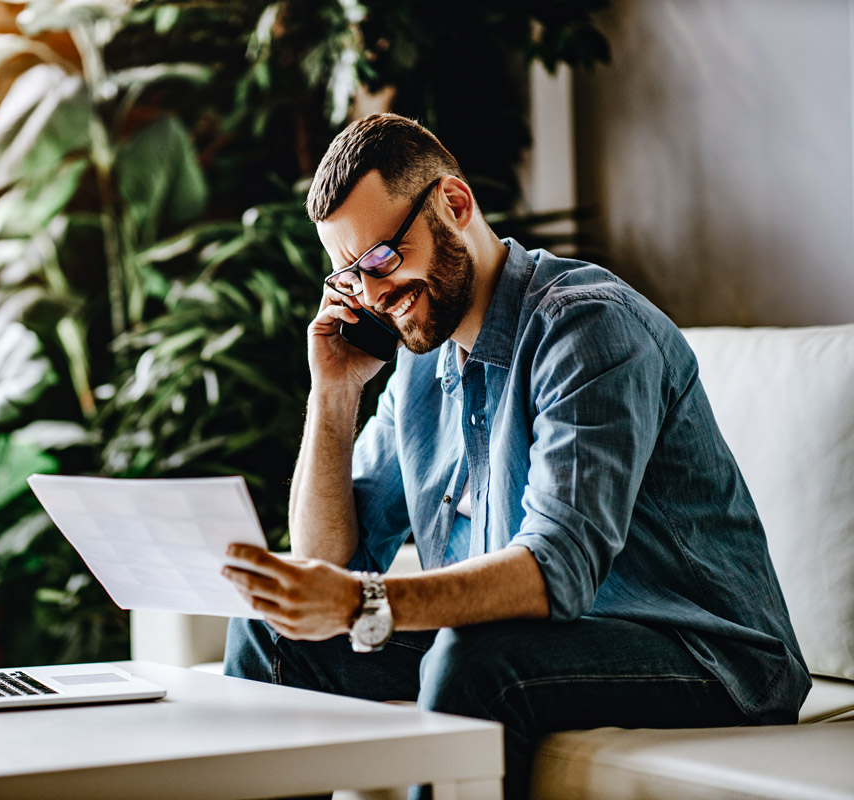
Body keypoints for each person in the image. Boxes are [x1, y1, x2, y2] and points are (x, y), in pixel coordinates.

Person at [219, 113, 810, 799]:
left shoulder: (587, 328)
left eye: (382, 258)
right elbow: (328, 567)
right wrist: (334, 393)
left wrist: (364, 600)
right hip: (544, 644)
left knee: (477, 658)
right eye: (351, 277)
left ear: (454, 204)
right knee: (272, 634)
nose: (375, 295)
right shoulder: (419, 366)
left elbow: (557, 569)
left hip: (707, 654)